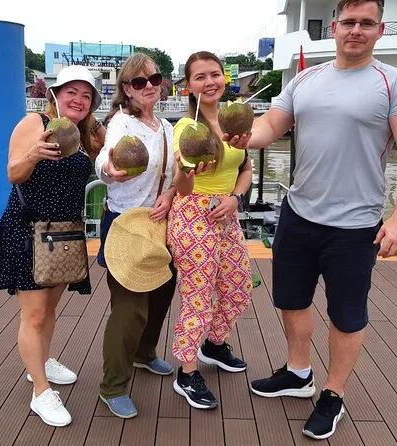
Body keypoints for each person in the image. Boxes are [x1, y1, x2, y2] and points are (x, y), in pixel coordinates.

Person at [239, 0, 397, 440]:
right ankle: (298, 372)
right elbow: (270, 126)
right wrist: (242, 136)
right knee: (290, 299)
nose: (356, 30)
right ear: (334, 27)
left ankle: (333, 393)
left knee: (346, 314)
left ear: (380, 30)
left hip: (355, 223)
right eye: (349, 22)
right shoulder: (306, 79)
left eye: (366, 23)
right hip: (299, 213)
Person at [0, 65, 104, 427]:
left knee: (51, 308)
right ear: (56, 94)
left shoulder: (86, 133)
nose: (79, 100)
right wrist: (33, 154)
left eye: (86, 95)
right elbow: (13, 173)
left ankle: (42, 360)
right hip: (28, 228)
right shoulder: (35, 123)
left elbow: (109, 161)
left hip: (65, 232)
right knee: (35, 314)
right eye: (72, 92)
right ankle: (40, 390)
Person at [167, 51, 254, 410]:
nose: (209, 82)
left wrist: (235, 198)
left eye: (214, 74)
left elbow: (246, 168)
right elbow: (182, 187)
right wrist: (186, 171)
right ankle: (187, 372)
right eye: (200, 77)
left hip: (227, 214)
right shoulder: (187, 129)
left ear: (224, 78)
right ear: (189, 86)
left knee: (238, 286)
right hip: (192, 214)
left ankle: (214, 344)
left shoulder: (235, 119)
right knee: (198, 295)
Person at [94, 53, 177, 419]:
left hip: (158, 225)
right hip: (126, 225)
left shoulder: (167, 127)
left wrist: (170, 194)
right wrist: (109, 169)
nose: (149, 87)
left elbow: (175, 175)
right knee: (130, 310)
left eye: (154, 79)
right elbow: (105, 159)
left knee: (161, 295)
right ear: (126, 89)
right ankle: (113, 385)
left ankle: (144, 353)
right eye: (140, 82)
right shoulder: (120, 123)